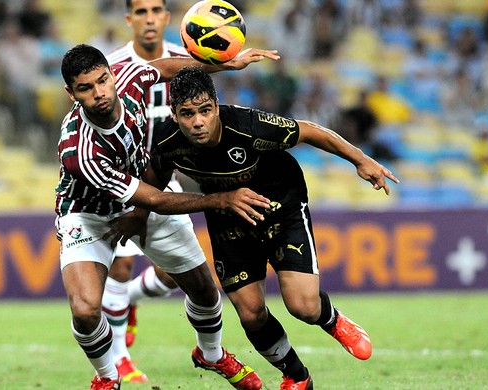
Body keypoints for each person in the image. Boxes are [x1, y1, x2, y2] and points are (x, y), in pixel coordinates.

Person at [142, 67, 400, 389]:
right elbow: (150, 192)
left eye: (205, 111)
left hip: (282, 207)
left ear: (217, 106)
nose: (197, 122)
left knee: (303, 306)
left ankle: (332, 320)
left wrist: (361, 160)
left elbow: (310, 131)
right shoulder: (167, 142)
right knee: (250, 313)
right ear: (174, 113)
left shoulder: (250, 126)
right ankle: (296, 375)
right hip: (229, 217)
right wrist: (133, 217)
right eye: (187, 113)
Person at [56, 44, 279, 390]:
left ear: (112, 74)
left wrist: (225, 64)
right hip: (89, 216)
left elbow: (166, 68)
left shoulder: (129, 78)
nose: (100, 93)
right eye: (86, 88)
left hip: (143, 192)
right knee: (85, 310)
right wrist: (221, 199)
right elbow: (157, 200)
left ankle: (212, 354)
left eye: (103, 80)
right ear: (71, 93)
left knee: (204, 291)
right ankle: (107, 377)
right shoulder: (80, 150)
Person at [100, 1, 192, 382]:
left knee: (179, 274)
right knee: (120, 264)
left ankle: (132, 299)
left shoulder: (187, 63)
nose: (149, 18)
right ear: (129, 20)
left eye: (156, 10)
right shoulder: (111, 67)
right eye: (141, 11)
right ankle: (120, 358)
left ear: (167, 18)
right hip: (123, 179)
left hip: (167, 179)